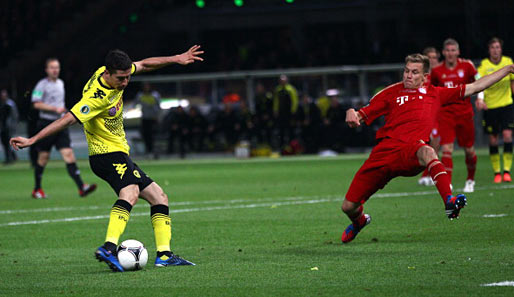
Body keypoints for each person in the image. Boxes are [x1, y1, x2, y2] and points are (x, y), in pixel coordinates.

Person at [11, 45, 204, 271]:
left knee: (159, 197)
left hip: (119, 152)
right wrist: (33, 139)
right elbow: (67, 119)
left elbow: (143, 64)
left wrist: (176, 58)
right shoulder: (95, 97)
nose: (125, 83)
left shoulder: (115, 70)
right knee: (130, 192)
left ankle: (164, 255)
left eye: (127, 77)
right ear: (107, 74)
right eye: (121, 79)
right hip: (105, 154)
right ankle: (109, 248)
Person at [342, 53, 514, 244]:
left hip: (411, 152)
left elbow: (475, 86)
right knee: (348, 206)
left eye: (414, 72)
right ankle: (359, 222)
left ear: (425, 77)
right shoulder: (391, 92)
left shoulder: (436, 93)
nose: (408, 76)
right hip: (384, 153)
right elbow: (360, 114)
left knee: (428, 151)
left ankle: (449, 201)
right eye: (406, 71)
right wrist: (351, 113)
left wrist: (508, 69)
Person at [31, 58, 96, 199]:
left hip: (60, 125)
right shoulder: (41, 85)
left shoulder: (61, 83)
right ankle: (37, 189)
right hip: (46, 124)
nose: (55, 70)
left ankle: (81, 187)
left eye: (57, 67)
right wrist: (55, 109)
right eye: (52, 67)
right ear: (47, 70)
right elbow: (36, 104)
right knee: (43, 157)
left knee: (69, 154)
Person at [431, 39, 479, 193]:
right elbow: (432, 92)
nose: (450, 53)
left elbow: (479, 82)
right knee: (447, 149)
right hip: (446, 114)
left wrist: (480, 98)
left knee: (469, 150)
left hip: (465, 113)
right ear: (443, 53)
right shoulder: (437, 71)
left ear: (458, 52)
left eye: (453, 50)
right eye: (448, 50)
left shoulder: (467, 66)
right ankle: (448, 184)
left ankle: (470, 179)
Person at [476, 37, 514, 183]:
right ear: (489, 50)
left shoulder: (508, 62)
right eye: (493, 47)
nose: (495, 50)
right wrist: (480, 99)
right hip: (491, 107)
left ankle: (506, 171)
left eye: (498, 47)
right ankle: (497, 172)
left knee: (507, 135)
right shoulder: (484, 66)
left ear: (501, 49)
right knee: (493, 139)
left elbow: (512, 83)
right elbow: (480, 83)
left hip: (507, 104)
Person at [418, 46, 441, 186]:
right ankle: (427, 172)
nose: (432, 60)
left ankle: (429, 173)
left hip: (436, 112)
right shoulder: (420, 74)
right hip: (420, 112)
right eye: (429, 58)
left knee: (435, 141)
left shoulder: (439, 74)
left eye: (434, 57)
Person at [134, 82, 161, 157]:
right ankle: (148, 151)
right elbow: (135, 104)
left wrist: (158, 116)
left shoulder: (155, 95)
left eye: (147, 86)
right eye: (145, 86)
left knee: (154, 136)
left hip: (153, 118)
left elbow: (159, 106)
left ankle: (154, 152)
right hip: (145, 118)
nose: (146, 88)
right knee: (146, 135)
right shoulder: (140, 95)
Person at [273, 75, 298, 150]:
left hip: (289, 113)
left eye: (284, 81)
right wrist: (275, 110)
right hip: (281, 113)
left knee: (291, 130)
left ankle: (292, 147)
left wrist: (293, 111)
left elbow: (295, 101)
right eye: (281, 81)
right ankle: (281, 147)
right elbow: (276, 101)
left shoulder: (291, 89)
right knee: (281, 130)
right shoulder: (278, 89)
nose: (282, 82)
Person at [0, 89, 18, 164]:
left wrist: (13, 125)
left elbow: (15, 115)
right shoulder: (2, 104)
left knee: (8, 143)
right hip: (3, 127)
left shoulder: (10, 104)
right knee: (5, 143)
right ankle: (11, 157)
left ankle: (10, 158)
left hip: (9, 127)